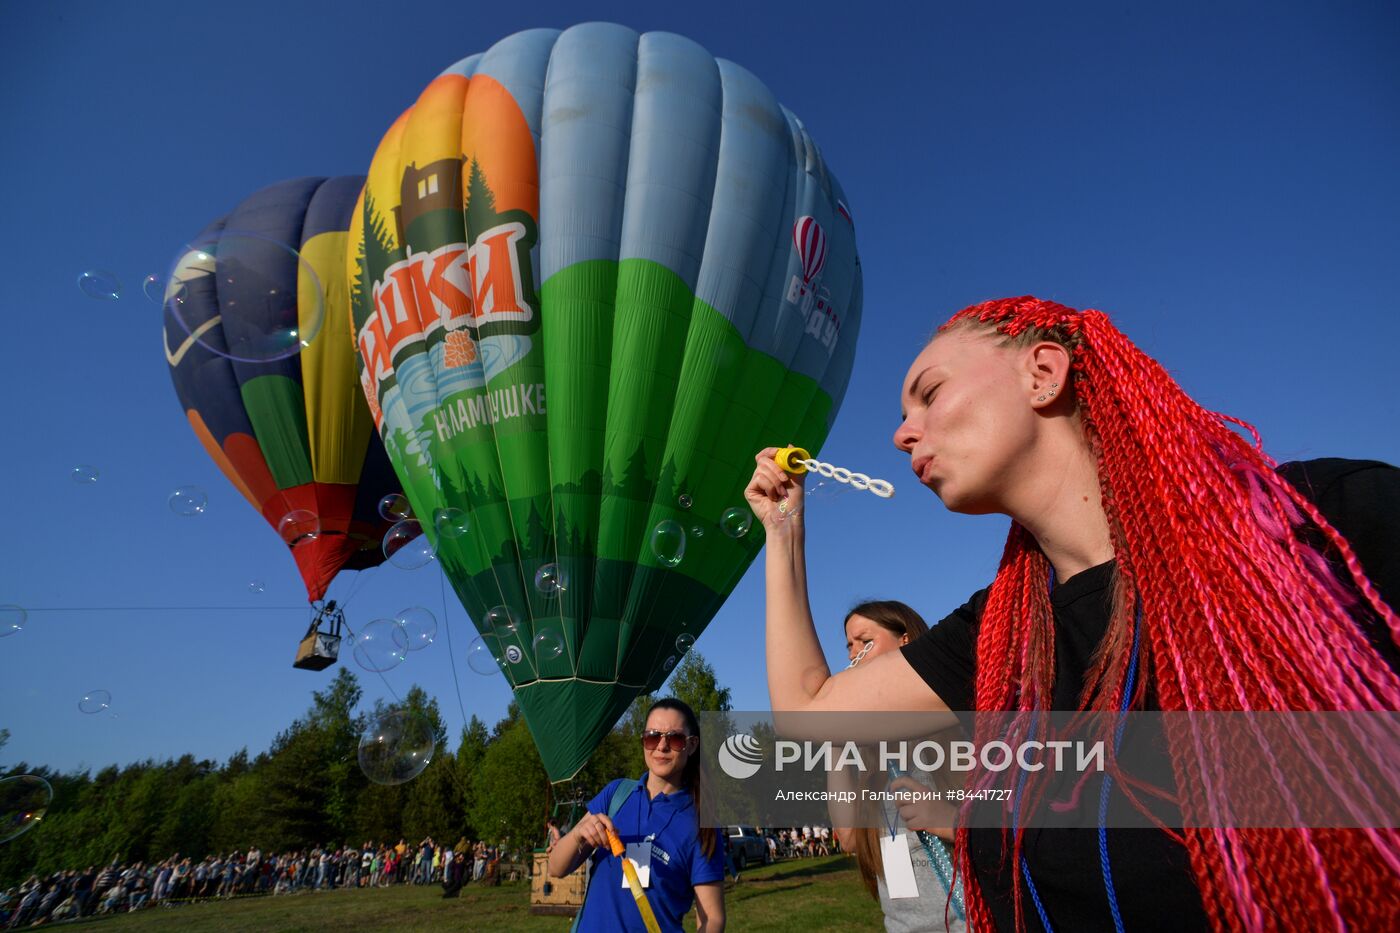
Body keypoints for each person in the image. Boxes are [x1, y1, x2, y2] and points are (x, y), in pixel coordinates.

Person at [746, 296, 1400, 932]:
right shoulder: (999, 638)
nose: (900, 432)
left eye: (930, 391)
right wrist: (783, 531)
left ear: (1043, 372)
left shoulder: (1321, 522)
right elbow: (811, 710)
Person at [831, 600, 965, 932]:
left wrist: (950, 822)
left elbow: (1018, 826)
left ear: (905, 640)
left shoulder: (957, 722)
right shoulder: (870, 749)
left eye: (865, 641)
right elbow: (849, 839)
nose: (853, 655)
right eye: (849, 646)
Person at [548, 697, 727, 932]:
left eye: (674, 739)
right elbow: (556, 868)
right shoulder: (616, 794)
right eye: (653, 737)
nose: (661, 747)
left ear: (692, 745)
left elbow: (712, 918)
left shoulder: (701, 823)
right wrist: (578, 835)